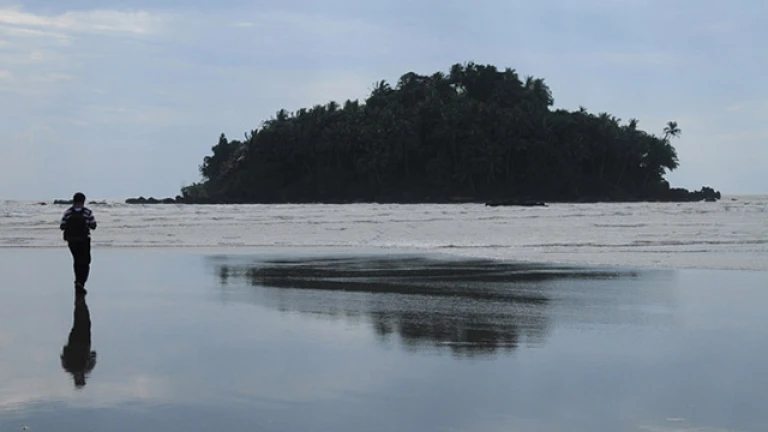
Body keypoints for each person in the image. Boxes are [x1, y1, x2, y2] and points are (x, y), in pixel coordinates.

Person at [60, 192, 97, 294]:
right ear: (83, 201)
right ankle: (81, 282)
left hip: (71, 240)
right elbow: (93, 226)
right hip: (84, 239)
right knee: (86, 261)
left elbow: (62, 226)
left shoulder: (68, 212)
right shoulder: (87, 212)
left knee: (77, 260)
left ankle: (78, 281)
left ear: (73, 201)